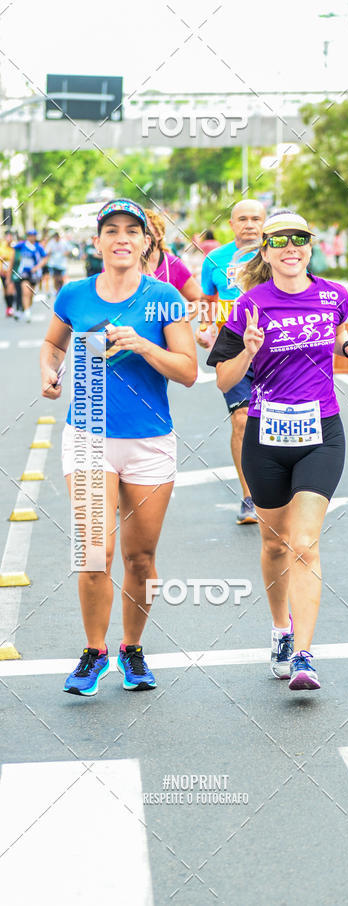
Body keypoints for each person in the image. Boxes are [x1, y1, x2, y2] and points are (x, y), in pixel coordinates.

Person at [207, 210, 348, 691]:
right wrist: (246, 350)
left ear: (310, 246)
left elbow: (340, 339)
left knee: (304, 543)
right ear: (265, 250)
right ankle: (281, 632)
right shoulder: (248, 304)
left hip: (321, 433)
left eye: (300, 239)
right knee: (273, 544)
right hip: (266, 438)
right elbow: (223, 377)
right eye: (280, 240)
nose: (291, 247)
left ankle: (304, 655)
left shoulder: (334, 295)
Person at [40, 198, 197, 696]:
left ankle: (132, 648)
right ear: (98, 241)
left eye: (133, 230)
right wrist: (49, 370)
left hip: (149, 440)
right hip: (87, 432)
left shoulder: (164, 297)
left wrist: (144, 345)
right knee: (93, 550)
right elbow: (53, 345)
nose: (122, 238)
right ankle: (94, 652)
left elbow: (190, 372)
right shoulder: (74, 295)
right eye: (112, 230)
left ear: (147, 241)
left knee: (141, 558)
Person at [198, 199, 266, 525]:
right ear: (232, 224)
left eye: (256, 218)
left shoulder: (279, 254)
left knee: (273, 419)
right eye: (243, 219)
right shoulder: (215, 259)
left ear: (264, 222)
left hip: (276, 346)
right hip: (234, 346)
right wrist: (205, 326)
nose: (249, 224)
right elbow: (209, 303)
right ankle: (250, 496)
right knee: (242, 419)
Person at [144, 208, 202, 318]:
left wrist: (176, 323)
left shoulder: (172, 264)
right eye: (134, 229)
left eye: (146, 228)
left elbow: (199, 299)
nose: (140, 232)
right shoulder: (122, 264)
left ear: (158, 234)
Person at [13, 229, 47, 322]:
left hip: (34, 273)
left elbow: (44, 259)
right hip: (24, 272)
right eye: (29, 235)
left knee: (31, 293)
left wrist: (37, 267)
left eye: (33, 235)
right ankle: (27, 311)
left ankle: (28, 308)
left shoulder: (38, 247)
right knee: (25, 291)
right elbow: (13, 249)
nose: (31, 237)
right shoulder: (22, 245)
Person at [45, 231, 72, 296]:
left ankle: (60, 289)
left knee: (61, 278)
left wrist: (64, 254)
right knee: (55, 278)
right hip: (53, 264)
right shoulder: (51, 243)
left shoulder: (64, 242)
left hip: (62, 264)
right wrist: (50, 252)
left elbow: (69, 250)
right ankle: (57, 290)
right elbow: (46, 252)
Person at [0, 231, 15, 317]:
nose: (9, 239)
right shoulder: (2, 248)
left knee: (10, 289)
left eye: (10, 237)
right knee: (5, 290)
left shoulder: (14, 248)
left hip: (11, 272)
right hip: (3, 272)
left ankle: (11, 307)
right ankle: (8, 307)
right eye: (7, 237)